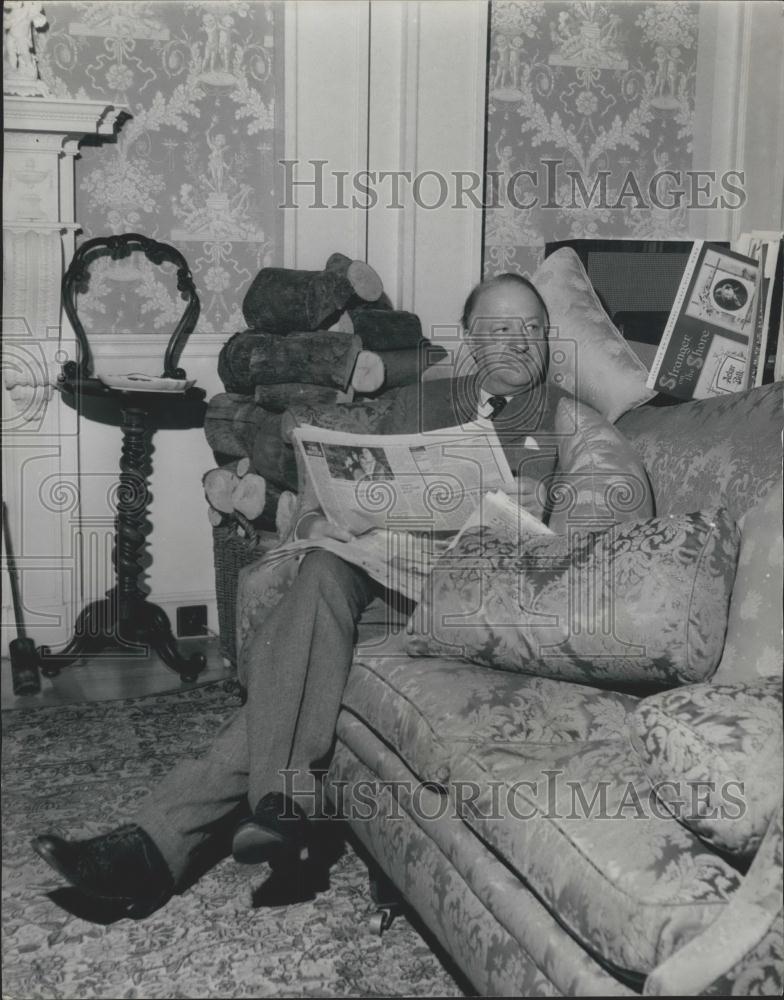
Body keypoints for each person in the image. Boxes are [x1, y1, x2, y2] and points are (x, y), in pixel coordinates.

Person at [31, 274, 563, 919]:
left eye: (531, 328)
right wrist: (321, 519)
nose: (517, 341)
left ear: (547, 337)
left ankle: (159, 845)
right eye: (499, 328)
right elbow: (349, 478)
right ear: (472, 340)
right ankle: (275, 807)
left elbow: (589, 534)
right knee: (323, 571)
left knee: (299, 643)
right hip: (382, 576)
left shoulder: (566, 419)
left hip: (466, 601)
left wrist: (541, 508)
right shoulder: (420, 402)